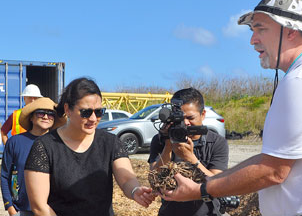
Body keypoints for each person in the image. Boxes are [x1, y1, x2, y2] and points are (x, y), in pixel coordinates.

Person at [161, 0, 302, 216]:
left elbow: (273, 171)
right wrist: (216, 180)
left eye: (260, 29)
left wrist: (201, 189)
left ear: (290, 31)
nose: (252, 40)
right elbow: (268, 159)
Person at [24, 77, 155, 216]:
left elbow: (127, 179)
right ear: (68, 109)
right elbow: (39, 206)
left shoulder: (110, 142)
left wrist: (135, 191)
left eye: (98, 112)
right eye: (86, 112)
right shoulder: (44, 147)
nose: (93, 118)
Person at [148, 87, 229, 216]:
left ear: (203, 114)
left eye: (190, 117)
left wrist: (190, 158)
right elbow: (154, 178)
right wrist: (168, 144)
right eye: (179, 118)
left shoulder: (217, 142)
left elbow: (217, 183)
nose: (185, 123)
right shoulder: (160, 140)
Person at [1, 97, 65, 216]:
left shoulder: (59, 144)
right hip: (21, 210)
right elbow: (5, 175)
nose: (46, 117)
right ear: (31, 117)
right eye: (41, 113)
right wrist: (9, 206)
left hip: (51, 210)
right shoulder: (15, 142)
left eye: (51, 114)